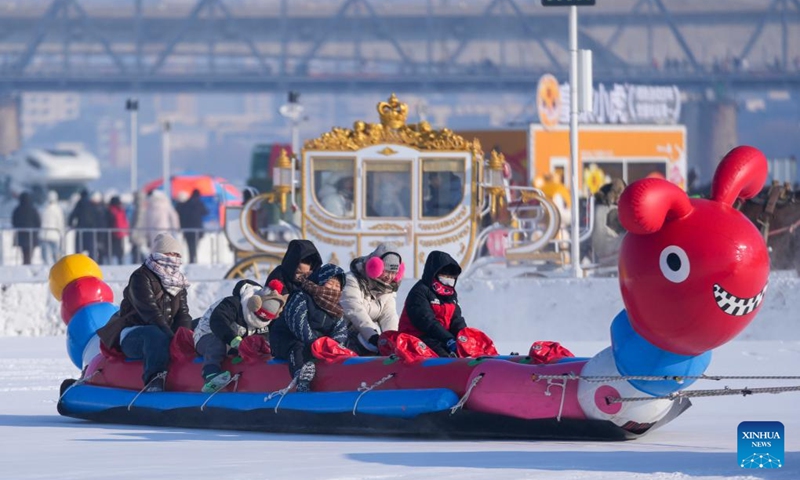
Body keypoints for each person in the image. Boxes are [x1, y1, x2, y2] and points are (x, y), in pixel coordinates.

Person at [96, 233, 192, 392]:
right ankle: (154, 379)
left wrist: (184, 335)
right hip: (135, 333)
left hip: (163, 329)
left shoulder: (178, 281)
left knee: (200, 326)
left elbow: (183, 313)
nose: (174, 259)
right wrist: (171, 338)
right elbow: (150, 313)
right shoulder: (141, 277)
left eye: (177, 255)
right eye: (170, 254)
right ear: (159, 254)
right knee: (155, 335)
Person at [193, 279, 287, 392]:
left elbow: (264, 335)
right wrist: (232, 339)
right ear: (254, 303)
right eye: (260, 316)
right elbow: (218, 321)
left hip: (237, 341)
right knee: (216, 343)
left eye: (265, 319)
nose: (261, 320)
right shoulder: (232, 304)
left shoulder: (265, 321)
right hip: (208, 334)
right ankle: (210, 373)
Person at [269, 264, 347, 392]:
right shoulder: (302, 296)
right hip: (287, 338)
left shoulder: (336, 309)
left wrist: (333, 346)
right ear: (320, 282)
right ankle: (300, 378)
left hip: (316, 344)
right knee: (297, 347)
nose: (333, 289)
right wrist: (314, 344)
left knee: (340, 351)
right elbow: (297, 321)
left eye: (337, 286)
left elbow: (341, 329)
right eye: (330, 283)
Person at [398, 250, 467, 357]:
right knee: (444, 356)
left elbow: (456, 320)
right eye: (444, 278)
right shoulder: (419, 292)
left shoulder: (451, 295)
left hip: (441, 337)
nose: (448, 284)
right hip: (417, 338)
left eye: (451, 280)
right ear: (434, 274)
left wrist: (464, 337)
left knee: (466, 350)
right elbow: (427, 322)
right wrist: (448, 339)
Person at [341, 244, 403, 355]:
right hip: (344, 335)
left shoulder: (389, 288)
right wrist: (372, 337)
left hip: (368, 337)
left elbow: (389, 316)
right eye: (386, 271)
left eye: (393, 273)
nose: (390, 277)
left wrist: (392, 340)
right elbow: (355, 311)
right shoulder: (351, 280)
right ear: (375, 266)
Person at [176, 189, 208, 264]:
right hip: (197, 228)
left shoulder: (185, 204)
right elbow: (205, 212)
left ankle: (192, 259)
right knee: (195, 245)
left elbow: (181, 214)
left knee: (190, 245)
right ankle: (193, 258)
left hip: (187, 229)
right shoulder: (199, 203)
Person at [11, 191, 41, 265]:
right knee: (29, 252)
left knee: (24, 252)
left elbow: (14, 221)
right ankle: (28, 263)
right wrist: (36, 231)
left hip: (21, 235)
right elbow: (38, 221)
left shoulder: (17, 210)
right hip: (31, 234)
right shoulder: (33, 209)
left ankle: (26, 263)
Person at [68, 189, 96, 259]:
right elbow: (96, 216)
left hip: (80, 227)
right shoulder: (91, 204)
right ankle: (92, 263)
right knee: (90, 248)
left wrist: (71, 224)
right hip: (90, 229)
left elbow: (73, 214)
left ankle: (78, 262)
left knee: (79, 248)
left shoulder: (80, 203)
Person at [39, 190, 65, 264]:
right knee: (55, 253)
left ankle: (46, 266)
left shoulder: (42, 208)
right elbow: (60, 222)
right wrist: (62, 233)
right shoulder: (57, 209)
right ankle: (57, 266)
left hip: (44, 234)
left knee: (45, 254)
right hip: (54, 234)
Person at [107, 196, 129, 265]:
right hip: (120, 232)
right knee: (119, 250)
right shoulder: (121, 210)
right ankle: (120, 262)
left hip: (114, 233)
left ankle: (114, 263)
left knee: (113, 249)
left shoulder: (112, 210)